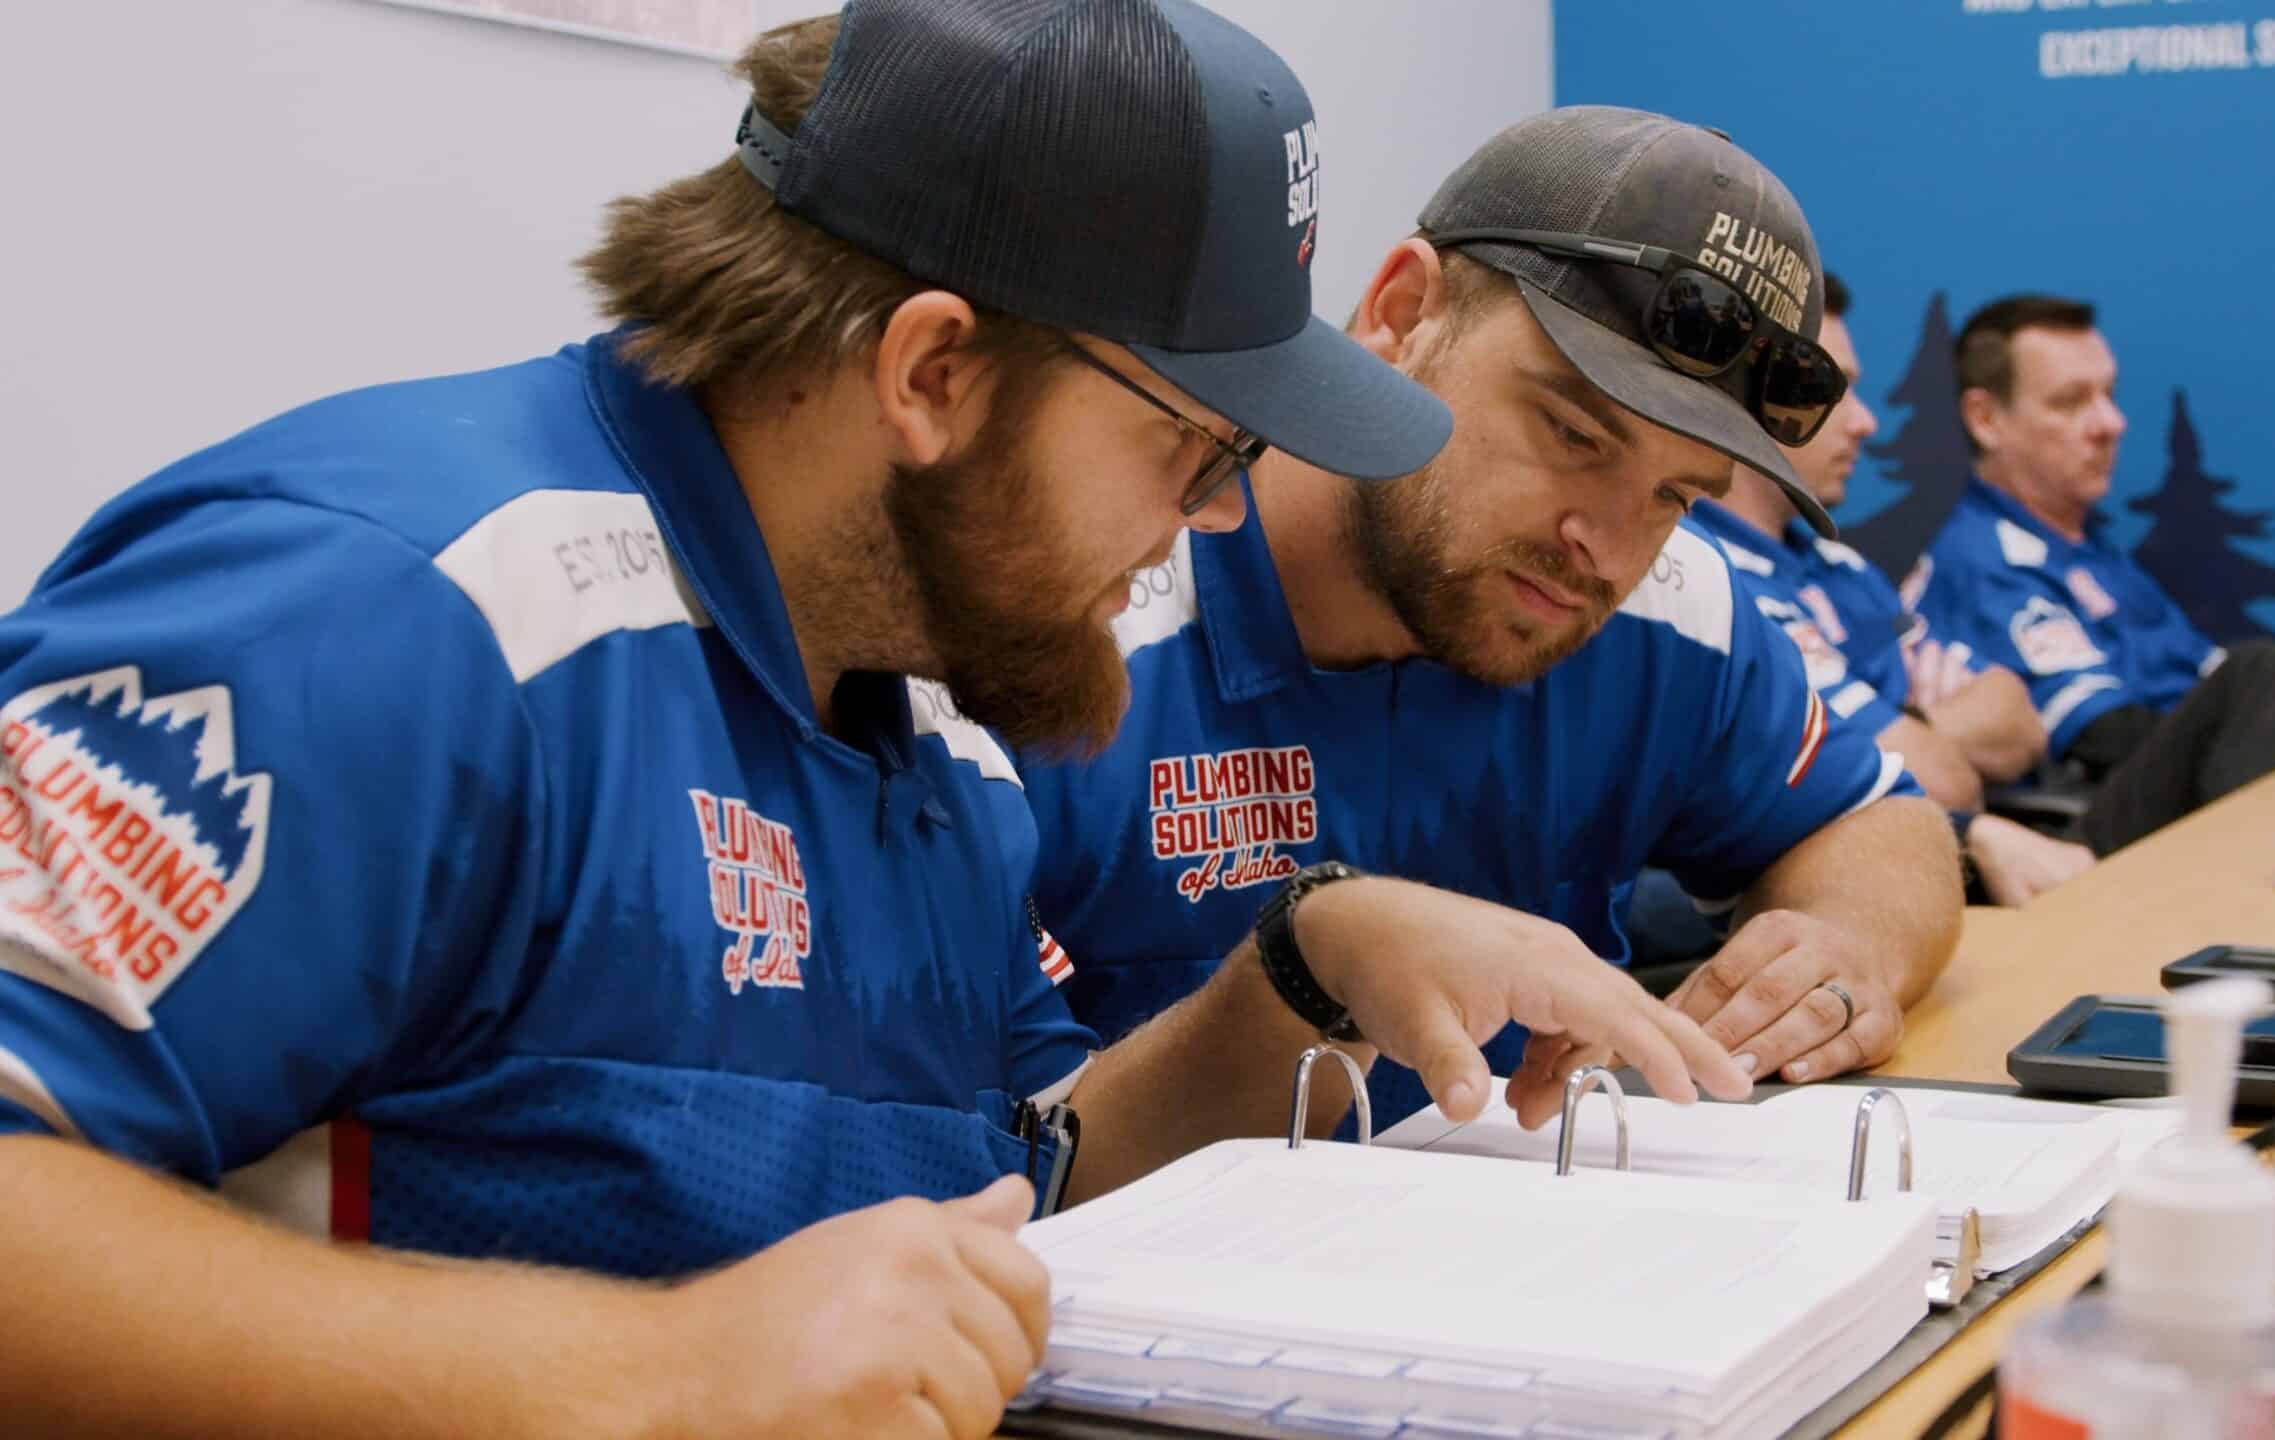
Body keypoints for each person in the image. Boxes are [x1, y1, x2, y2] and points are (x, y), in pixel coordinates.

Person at [0, 9, 1754, 1436]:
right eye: (1193, 448)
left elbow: (1025, 1189)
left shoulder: (940, 705)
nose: (1221, 520)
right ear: (929, 373)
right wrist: (652, 1374)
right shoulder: (404, 614)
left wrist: (1305, 965)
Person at [1019, 107, 1963, 1131]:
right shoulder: (1081, 615)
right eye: (1572, 434)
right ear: (1402, 309)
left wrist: (1843, 947)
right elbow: (993, 1161)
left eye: (1674, 495)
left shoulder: (1670, 605)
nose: (1604, 544)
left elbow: (1880, 823)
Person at [1684, 272, 2095, 905]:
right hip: (1882, 883)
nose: (1866, 423)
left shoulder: (1838, 565)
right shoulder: (1704, 575)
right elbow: (1944, 784)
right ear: (1745, 401)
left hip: (1960, 858)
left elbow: (2016, 716)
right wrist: (1921, 746)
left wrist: (1908, 731)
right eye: (1836, 390)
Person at [1906, 295, 2275, 855]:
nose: (2111, 423)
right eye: (2071, 402)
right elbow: (2107, 738)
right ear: (1986, 419)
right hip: (2075, 841)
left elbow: (2200, 681)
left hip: (2166, 811)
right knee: (2265, 677)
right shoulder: (1982, 563)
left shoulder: (2093, 555)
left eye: (2109, 394)